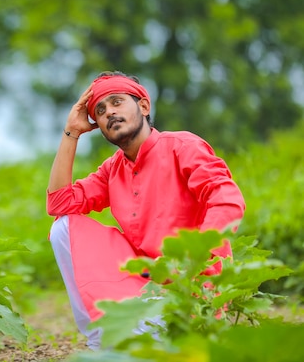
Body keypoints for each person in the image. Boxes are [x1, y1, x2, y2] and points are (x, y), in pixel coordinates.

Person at [46, 71, 245, 350]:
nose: (109, 113)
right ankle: (101, 337)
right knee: (63, 226)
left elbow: (227, 198)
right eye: (100, 111)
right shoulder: (113, 168)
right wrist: (71, 133)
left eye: (117, 102)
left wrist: (195, 257)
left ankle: (150, 334)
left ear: (143, 106)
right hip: (144, 288)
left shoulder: (182, 146)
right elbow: (58, 204)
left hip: (190, 292)